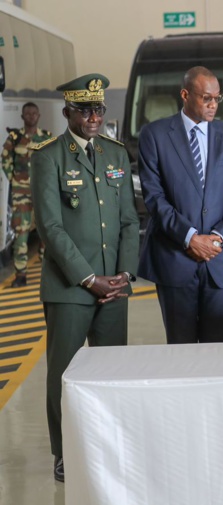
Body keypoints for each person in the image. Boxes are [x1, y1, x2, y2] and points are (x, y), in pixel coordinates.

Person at [29, 74, 139, 482]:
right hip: (70, 289)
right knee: (65, 375)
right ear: (67, 113)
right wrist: (89, 278)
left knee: (113, 374)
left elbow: (130, 219)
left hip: (115, 287)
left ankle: (110, 445)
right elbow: (50, 228)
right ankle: (64, 452)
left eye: (98, 110)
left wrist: (123, 274)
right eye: (84, 110)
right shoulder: (48, 156)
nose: (93, 117)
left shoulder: (115, 154)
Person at [137, 66, 223, 344]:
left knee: (220, 348)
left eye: (217, 98)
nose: (213, 105)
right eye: (206, 98)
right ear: (185, 95)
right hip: (175, 259)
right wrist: (189, 238)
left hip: (219, 261)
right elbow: (154, 197)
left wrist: (219, 238)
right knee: (181, 348)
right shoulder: (155, 135)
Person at [2, 102, 52, 287]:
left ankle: (46, 268)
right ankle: (20, 275)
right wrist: (15, 180)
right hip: (21, 193)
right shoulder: (14, 138)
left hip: (43, 193)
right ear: (22, 117)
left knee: (47, 232)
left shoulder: (46, 138)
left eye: (34, 113)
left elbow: (54, 162)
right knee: (21, 233)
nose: (31, 116)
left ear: (39, 116)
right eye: (27, 114)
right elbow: (5, 160)